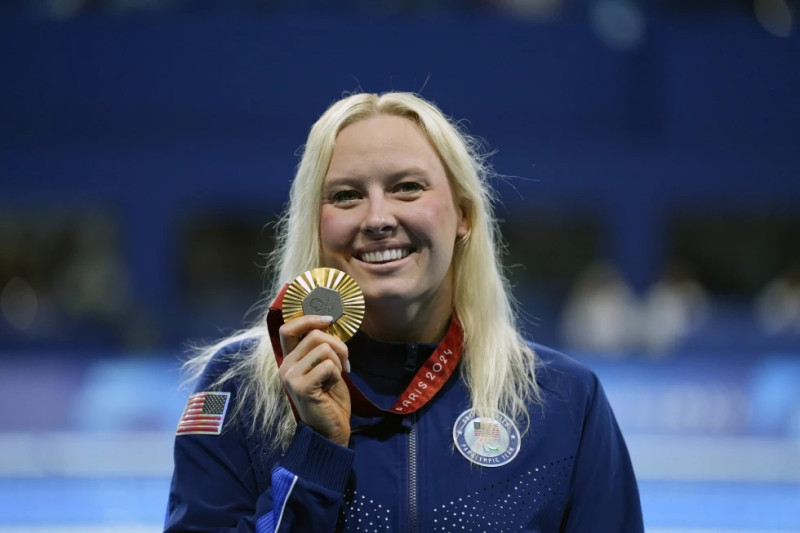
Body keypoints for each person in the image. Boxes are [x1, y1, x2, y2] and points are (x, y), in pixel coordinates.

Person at [164, 92, 643, 532]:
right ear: (316, 222)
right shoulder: (241, 389)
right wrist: (314, 455)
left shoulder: (562, 401)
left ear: (464, 215)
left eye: (408, 188)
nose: (377, 219)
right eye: (346, 196)